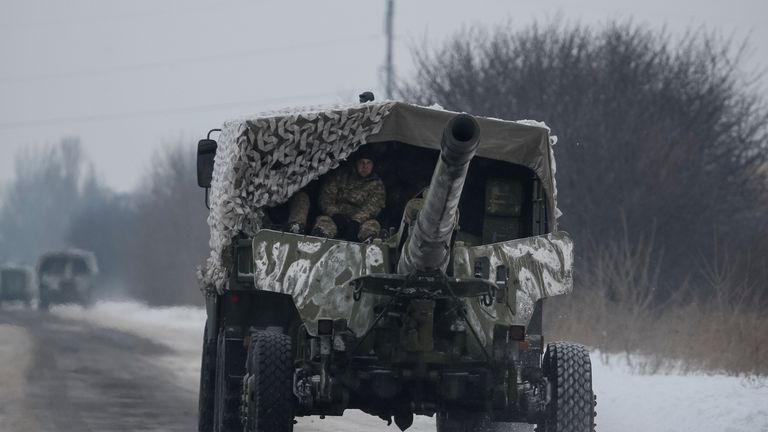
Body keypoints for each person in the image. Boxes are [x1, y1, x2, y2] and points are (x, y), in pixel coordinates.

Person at [311, 147, 385, 241]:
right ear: (356, 163)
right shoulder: (340, 176)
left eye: (368, 163)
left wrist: (356, 221)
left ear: (373, 165)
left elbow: (373, 207)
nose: (364, 166)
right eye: (361, 162)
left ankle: (366, 250)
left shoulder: (377, 184)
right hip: (336, 218)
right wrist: (335, 214)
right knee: (323, 221)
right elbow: (326, 198)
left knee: (373, 225)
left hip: (360, 223)